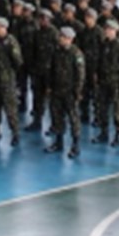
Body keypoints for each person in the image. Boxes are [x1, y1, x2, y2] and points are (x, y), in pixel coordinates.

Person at [46, 26, 86, 159]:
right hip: (57, 90)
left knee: (73, 119)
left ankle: (75, 146)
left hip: (70, 92)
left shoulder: (76, 54)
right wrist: (50, 86)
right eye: (61, 37)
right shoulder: (56, 52)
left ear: (70, 39)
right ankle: (58, 143)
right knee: (57, 117)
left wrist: (77, 92)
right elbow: (51, 70)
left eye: (64, 38)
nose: (61, 40)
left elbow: (80, 75)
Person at [0, 16, 24, 147]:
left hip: (7, 80)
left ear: (5, 28)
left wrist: (9, 72)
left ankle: (15, 134)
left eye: (0, 27)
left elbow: (18, 61)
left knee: (10, 109)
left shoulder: (11, 42)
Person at [96, 19, 119, 146]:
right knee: (102, 108)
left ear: (116, 31)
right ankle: (104, 132)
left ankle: (118, 134)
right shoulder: (103, 44)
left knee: (117, 110)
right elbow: (99, 61)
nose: (107, 31)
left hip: (116, 83)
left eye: (110, 29)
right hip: (104, 81)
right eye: (106, 29)